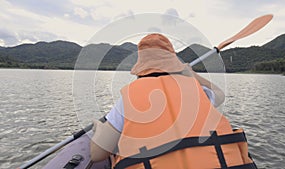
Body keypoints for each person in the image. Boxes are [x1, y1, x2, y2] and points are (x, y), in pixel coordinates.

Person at [90, 33, 256, 169]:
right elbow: (219, 94)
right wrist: (192, 75)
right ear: (174, 63)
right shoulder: (195, 90)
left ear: (141, 68)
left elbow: (97, 154)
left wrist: (99, 128)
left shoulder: (131, 96)